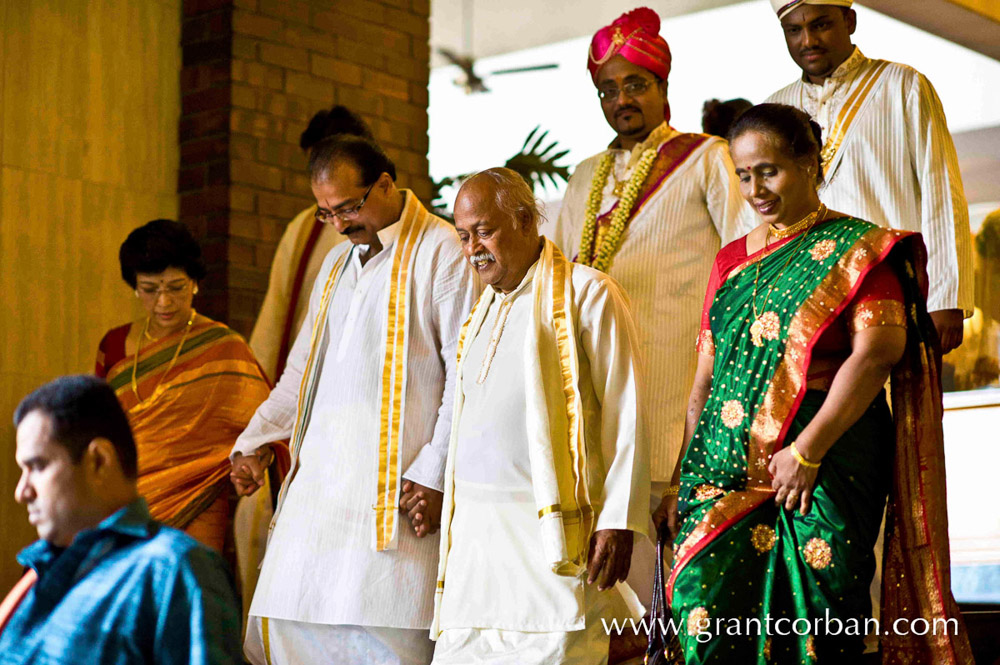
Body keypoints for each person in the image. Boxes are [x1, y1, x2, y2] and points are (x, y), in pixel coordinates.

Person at [655, 103, 972, 664]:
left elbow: (878, 353)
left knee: (821, 620)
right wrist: (684, 473)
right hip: (722, 469)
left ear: (809, 163)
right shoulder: (730, 261)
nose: (756, 189)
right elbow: (705, 377)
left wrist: (807, 450)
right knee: (705, 613)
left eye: (769, 170)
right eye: (744, 174)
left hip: (824, 458)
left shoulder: (858, 249)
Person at [231, 132, 479, 665]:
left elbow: (467, 374)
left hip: (394, 506)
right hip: (320, 506)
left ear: (386, 184)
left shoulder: (442, 252)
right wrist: (255, 439)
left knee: (389, 645)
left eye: (349, 207)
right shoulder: (336, 265)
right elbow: (301, 373)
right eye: (326, 214)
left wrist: (434, 471)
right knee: (298, 637)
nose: (340, 225)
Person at [552, 10, 755, 598]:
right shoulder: (583, 174)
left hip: (675, 398)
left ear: (664, 86)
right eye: (607, 90)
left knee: (673, 590)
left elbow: (748, 264)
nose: (622, 99)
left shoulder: (705, 157)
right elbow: (559, 276)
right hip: (595, 398)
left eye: (635, 84)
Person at [429, 168, 649, 665]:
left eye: (484, 231)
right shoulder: (478, 314)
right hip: (475, 559)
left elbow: (626, 411)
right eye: (463, 236)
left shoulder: (588, 293)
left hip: (549, 551)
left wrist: (618, 520)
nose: (472, 249)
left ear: (526, 219)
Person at [764, 0, 973, 354]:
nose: (808, 40)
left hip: (896, 290)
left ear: (850, 20)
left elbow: (941, 188)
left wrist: (946, 297)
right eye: (794, 30)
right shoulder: (774, 109)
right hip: (805, 301)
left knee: (898, 406)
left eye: (821, 24)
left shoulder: (903, 85)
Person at [0, 375, 243, 664]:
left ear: (99, 461)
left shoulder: (173, 568)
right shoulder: (38, 570)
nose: (21, 492)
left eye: (37, 466)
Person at [95, 219, 280, 554]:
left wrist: (250, 458)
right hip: (125, 500)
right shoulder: (114, 345)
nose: (164, 302)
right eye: (150, 290)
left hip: (198, 500)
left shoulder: (224, 348)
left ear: (195, 283)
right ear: (134, 286)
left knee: (187, 592)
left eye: (176, 288)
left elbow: (264, 425)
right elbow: (95, 426)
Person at [248, 106, 363, 381]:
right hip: (305, 368)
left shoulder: (385, 222)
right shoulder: (302, 227)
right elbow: (276, 310)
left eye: (322, 166)